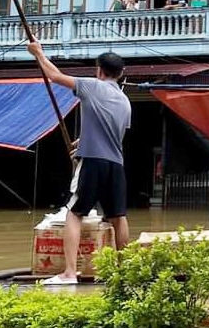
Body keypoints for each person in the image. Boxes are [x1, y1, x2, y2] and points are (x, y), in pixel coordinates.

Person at [27, 42, 133, 285]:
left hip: (93, 161)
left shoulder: (92, 86)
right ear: (120, 73)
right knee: (118, 217)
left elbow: (54, 76)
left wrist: (38, 53)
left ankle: (69, 272)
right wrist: (82, 141)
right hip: (116, 164)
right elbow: (114, 133)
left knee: (74, 214)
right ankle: (125, 270)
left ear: (99, 70)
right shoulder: (125, 101)